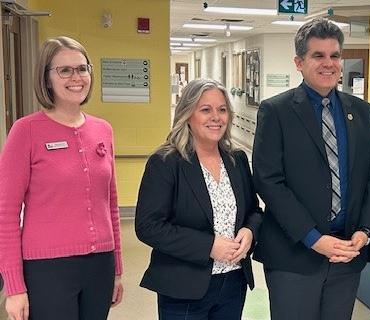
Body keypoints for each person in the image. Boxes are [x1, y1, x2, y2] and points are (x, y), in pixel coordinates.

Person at [252, 18, 370, 320]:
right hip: (295, 255)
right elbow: (268, 180)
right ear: (299, 62)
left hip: (347, 252)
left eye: (335, 55)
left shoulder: (361, 112)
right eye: (318, 56)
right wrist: (313, 238)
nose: (329, 64)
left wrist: (365, 230)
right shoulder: (276, 111)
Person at [0, 36, 123, 320]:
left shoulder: (102, 130)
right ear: (46, 78)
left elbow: (111, 204)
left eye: (82, 68)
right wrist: (14, 287)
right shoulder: (25, 131)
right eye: (64, 70)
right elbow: (6, 213)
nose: (76, 77)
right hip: (47, 269)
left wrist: (117, 269)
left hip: (100, 266)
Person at [135, 78, 263, 320]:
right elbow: (148, 227)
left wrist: (249, 231)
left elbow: (255, 211)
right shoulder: (166, 162)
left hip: (233, 281)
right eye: (206, 109)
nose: (216, 117)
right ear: (187, 114)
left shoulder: (237, 160)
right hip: (184, 286)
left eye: (222, 109)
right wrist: (209, 246)